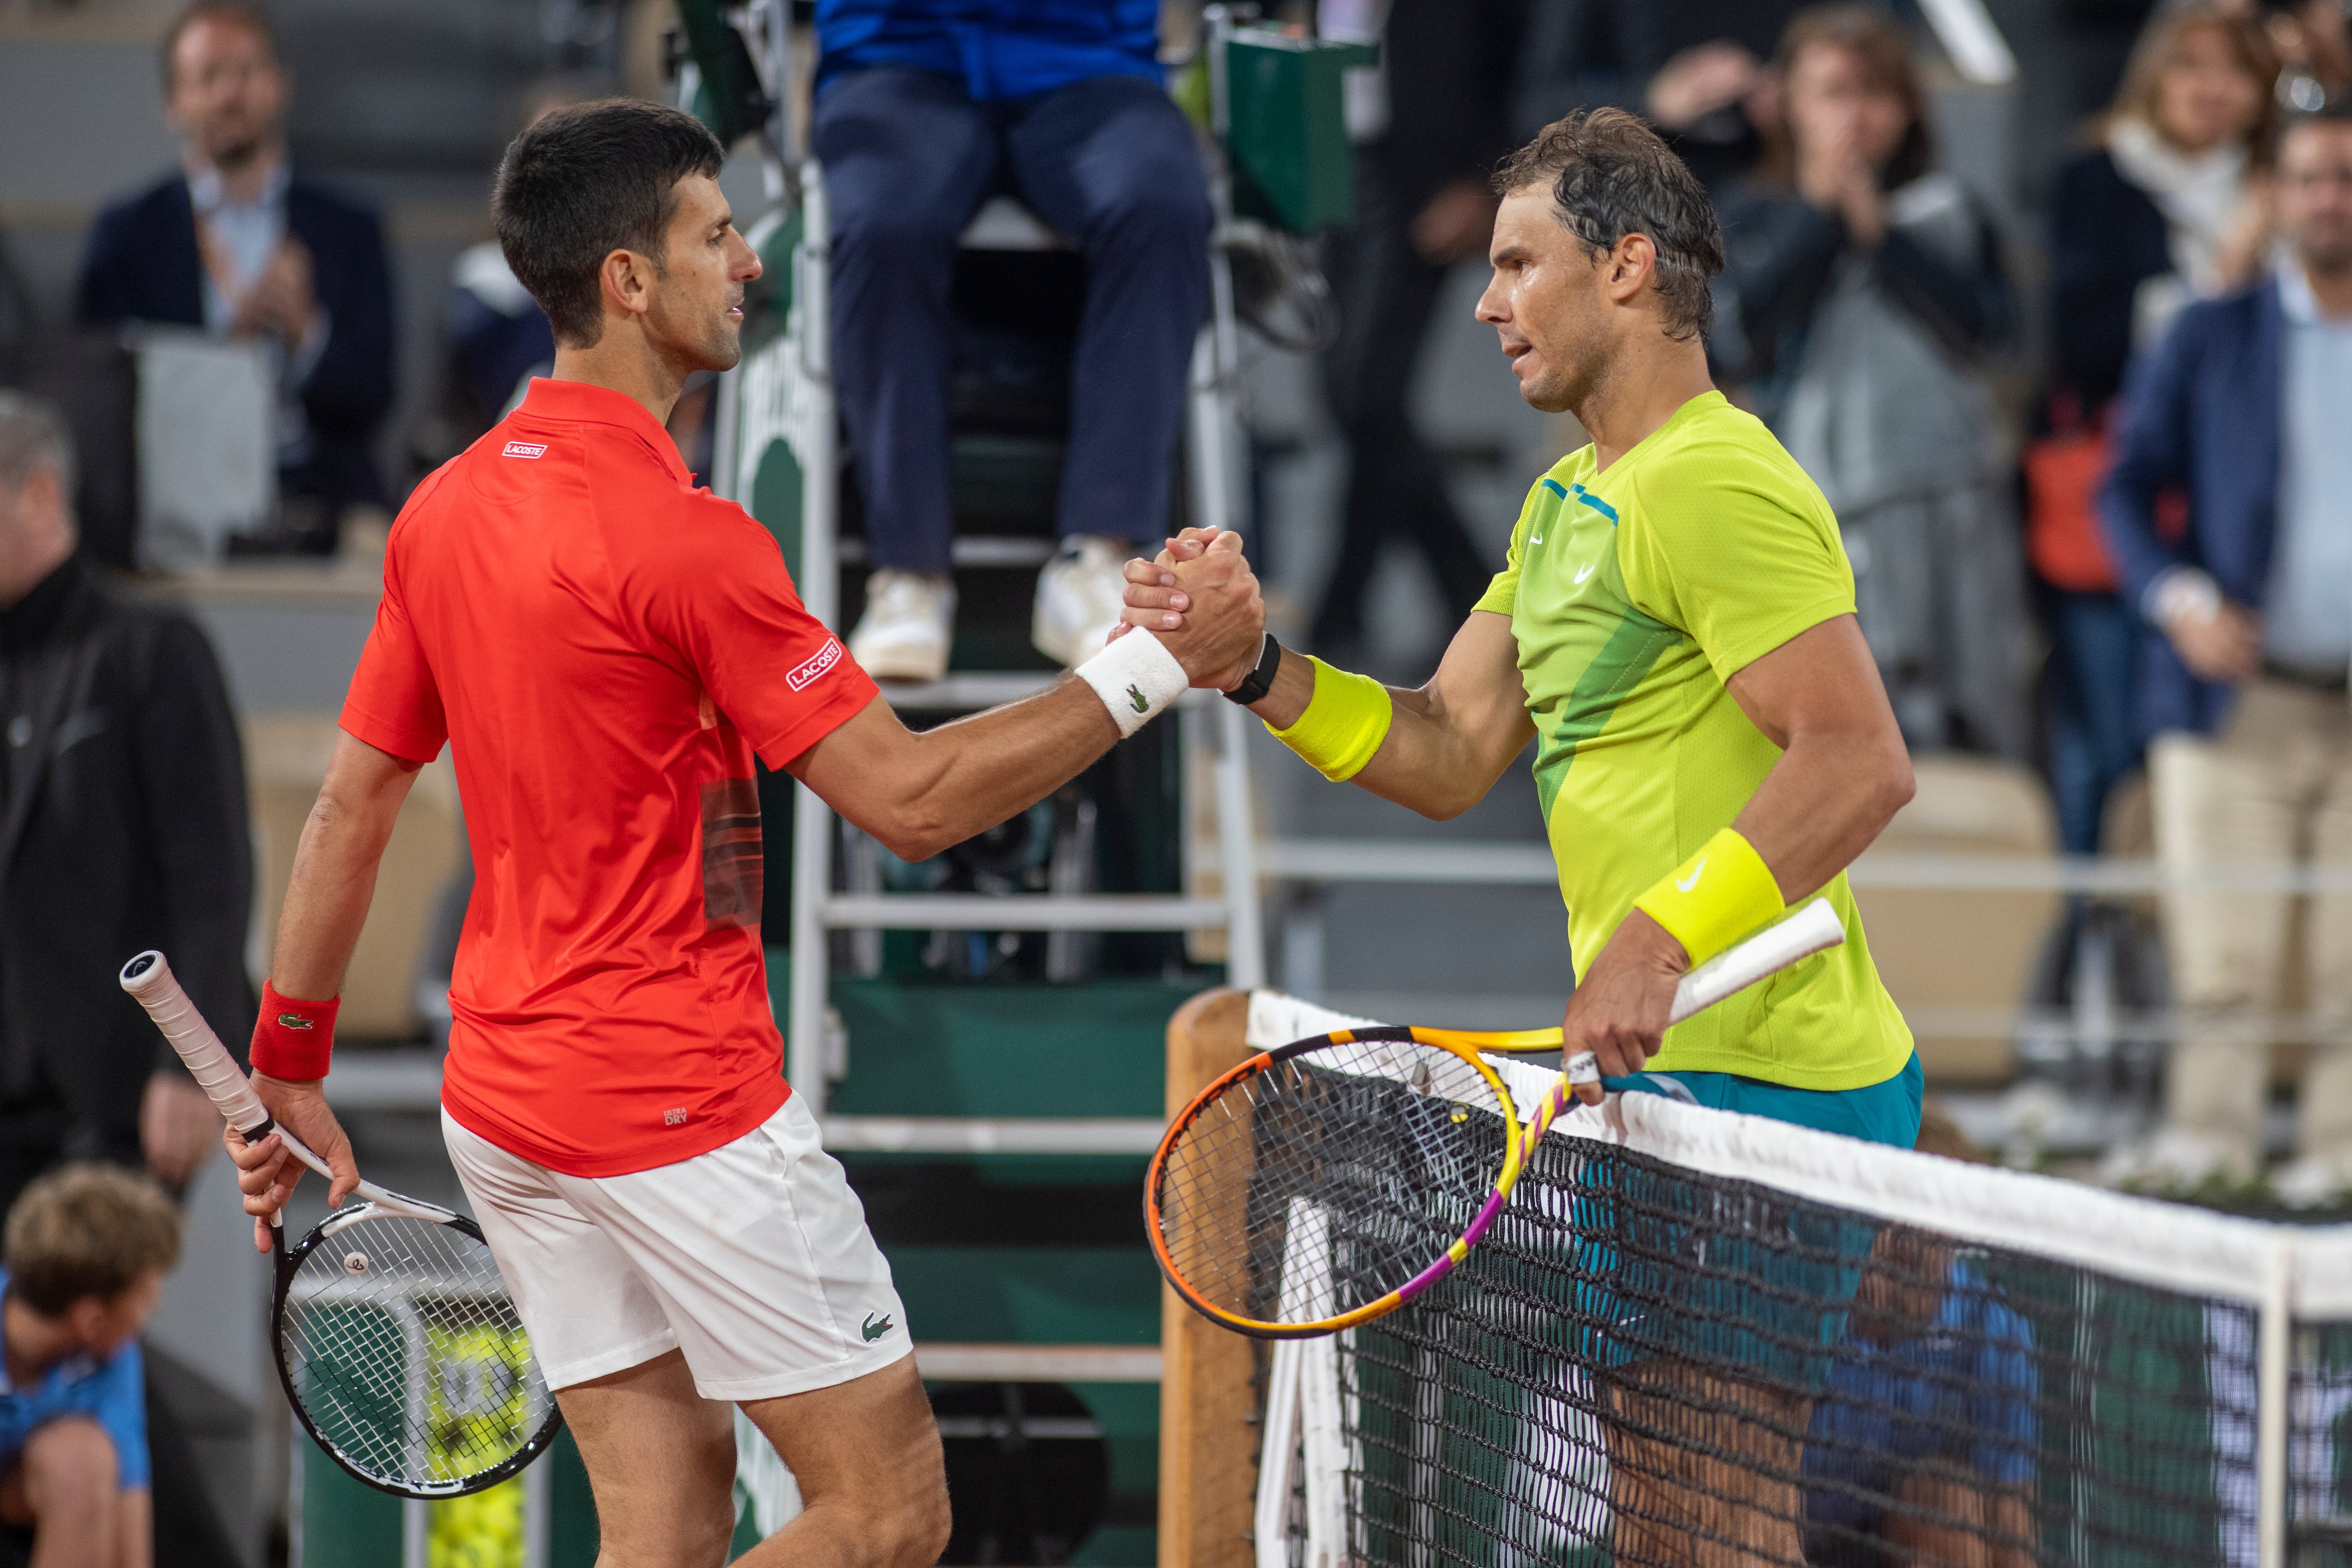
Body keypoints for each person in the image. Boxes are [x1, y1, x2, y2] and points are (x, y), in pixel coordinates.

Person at [222, 100, 1261, 1568]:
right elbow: (910, 802)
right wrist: (1158, 667)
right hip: (672, 1106)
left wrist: (290, 1060)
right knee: (889, 1516)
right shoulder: (692, 543)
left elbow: (351, 806)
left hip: (509, 1103)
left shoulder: (440, 515)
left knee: (664, 1527)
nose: (749, 267)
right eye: (716, 235)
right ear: (628, 280)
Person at [1129, 104, 1919, 1568]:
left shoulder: (1715, 479)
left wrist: (1660, 931)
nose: (1486, 304)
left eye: (1516, 264)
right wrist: (1252, 667)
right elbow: (1442, 748)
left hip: (1765, 1080)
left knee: (1717, 1527)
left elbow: (1861, 761)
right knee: (1657, 1523)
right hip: (1659, 1084)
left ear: (1626, 267)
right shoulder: (1565, 504)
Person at [2097, 101, 2352, 1202]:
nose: (2328, 198)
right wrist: (2176, 595)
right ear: (2274, 196)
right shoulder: (2212, 330)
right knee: (2220, 968)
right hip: (2231, 696)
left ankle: (2340, 1165)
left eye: (2345, 176)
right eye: (2306, 178)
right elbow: (2119, 488)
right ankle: (2214, 1162)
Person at [813, 0, 1215, 681]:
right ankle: (909, 575)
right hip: (898, 54)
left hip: (1088, 61)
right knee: (884, 228)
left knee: (1163, 207)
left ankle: (1100, 555)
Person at [1711, 6, 2030, 759]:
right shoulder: (1754, 216)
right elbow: (1732, 342)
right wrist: (1825, 218)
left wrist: (1877, 231)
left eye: (1876, 91)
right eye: (1834, 91)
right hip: (1814, 505)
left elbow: (1990, 334)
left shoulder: (1949, 211)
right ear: (1788, 102)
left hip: (1953, 493)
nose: (1856, 113)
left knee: (1974, 704)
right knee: (1839, 722)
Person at [0, 393, 251, 1226]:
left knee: (82, 1336)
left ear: (39, 494)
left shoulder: (149, 649)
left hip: (104, 1092)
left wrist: (191, 1063)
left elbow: (212, 876)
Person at [2040, 4, 2278, 855]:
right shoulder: (2098, 176)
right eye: (2191, 66)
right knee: (2107, 748)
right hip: (2120, 502)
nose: (2211, 89)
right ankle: (2085, 956)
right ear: (2155, 74)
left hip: (2244, 521)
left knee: (2225, 747)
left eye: (2235, 70)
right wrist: (2221, 289)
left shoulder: (2296, 191)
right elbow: (2077, 342)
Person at [74, 0, 396, 554]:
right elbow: (104, 396)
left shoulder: (351, 228)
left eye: (246, 72)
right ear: (173, 102)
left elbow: (376, 394)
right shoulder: (126, 234)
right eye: (209, 77)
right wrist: (225, 353)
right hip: (174, 498)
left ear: (281, 85)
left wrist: (306, 332)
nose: (230, 94)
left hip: (325, 496)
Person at [1309, 0, 1523, 660]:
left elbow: (1518, 55)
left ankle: (1342, 607)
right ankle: (1474, 592)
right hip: (1331, 163)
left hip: (1424, 177)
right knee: (1350, 396)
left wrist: (1485, 179)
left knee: (1363, 391)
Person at [0, 1166, 184, 1568]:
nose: (146, 1316)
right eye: (144, 1304)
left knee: (81, 1460)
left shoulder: (112, 1355)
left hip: (19, 1492)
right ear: (91, 1318)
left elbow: (129, 1491)